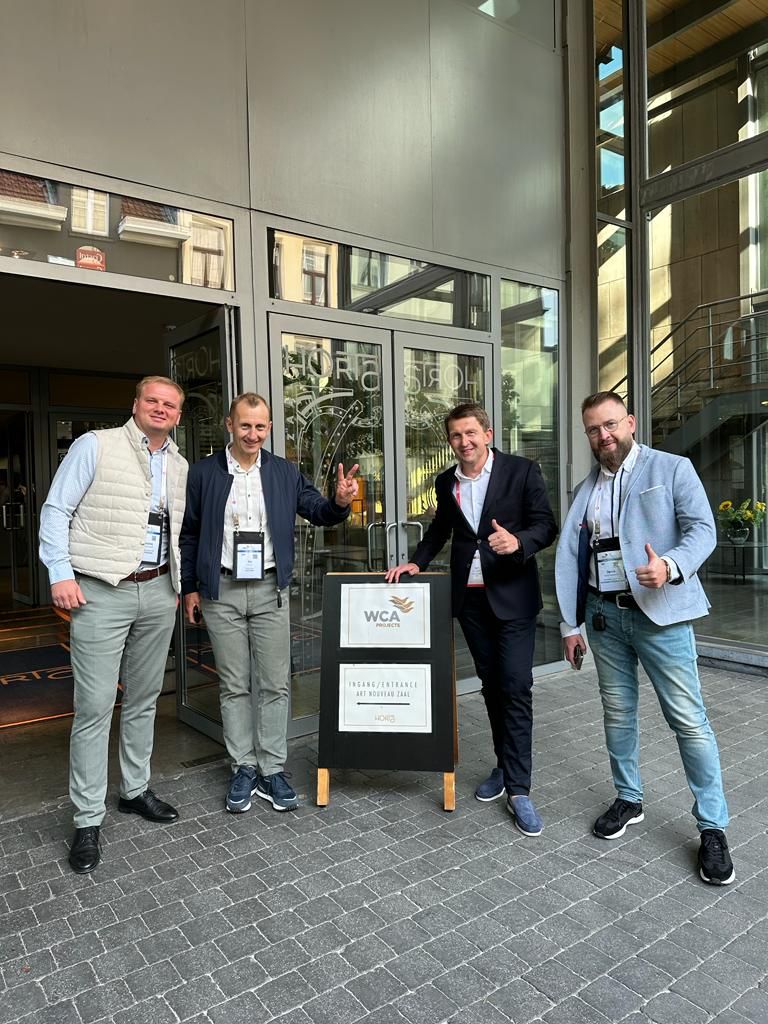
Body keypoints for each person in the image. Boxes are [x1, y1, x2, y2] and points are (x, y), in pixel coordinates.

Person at [555, 391, 734, 885]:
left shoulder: (672, 468)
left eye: (611, 424)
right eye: (594, 429)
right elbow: (572, 557)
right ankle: (629, 798)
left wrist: (670, 565)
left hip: (662, 616)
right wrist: (570, 623)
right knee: (617, 713)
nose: (604, 435)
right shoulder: (584, 489)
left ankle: (713, 827)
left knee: (689, 722)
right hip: (603, 617)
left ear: (630, 422)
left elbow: (703, 530)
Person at [180, 392, 359, 814]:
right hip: (221, 590)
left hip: (269, 589)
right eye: (245, 425)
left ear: (270, 428)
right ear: (229, 425)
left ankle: (272, 768)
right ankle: (243, 766)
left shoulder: (283, 471)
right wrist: (189, 587)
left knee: (275, 684)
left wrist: (339, 502)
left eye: (260, 427)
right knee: (234, 685)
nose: (253, 434)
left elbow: (317, 510)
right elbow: (189, 533)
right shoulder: (204, 473)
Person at [385, 402, 557, 836]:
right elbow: (441, 529)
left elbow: (546, 526)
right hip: (471, 601)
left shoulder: (521, 471)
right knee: (492, 686)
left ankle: (519, 788)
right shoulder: (447, 482)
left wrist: (518, 542)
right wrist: (417, 562)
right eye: (456, 436)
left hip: (513, 597)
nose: (464, 442)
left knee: (515, 686)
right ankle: (503, 765)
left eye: (471, 433)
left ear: (488, 434)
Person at [39, 376, 188, 874]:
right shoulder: (95, 445)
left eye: (170, 405)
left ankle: (135, 790)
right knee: (95, 706)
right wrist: (60, 573)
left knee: (145, 698)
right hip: (101, 589)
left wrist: (176, 585)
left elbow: (176, 531)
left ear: (178, 415)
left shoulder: (180, 464)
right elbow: (56, 509)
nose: (161, 409)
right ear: (136, 404)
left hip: (159, 589)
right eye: (153, 401)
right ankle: (87, 818)